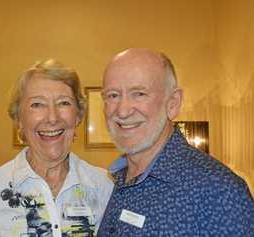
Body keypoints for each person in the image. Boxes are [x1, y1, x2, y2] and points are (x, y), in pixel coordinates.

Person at [97, 48, 254, 236]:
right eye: (113, 95)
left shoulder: (221, 192)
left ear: (173, 103)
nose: (122, 111)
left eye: (139, 94)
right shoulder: (116, 180)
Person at [0, 59, 113, 237]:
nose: (52, 118)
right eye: (37, 104)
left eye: (64, 103)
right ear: (19, 119)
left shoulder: (104, 185)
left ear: (78, 115)